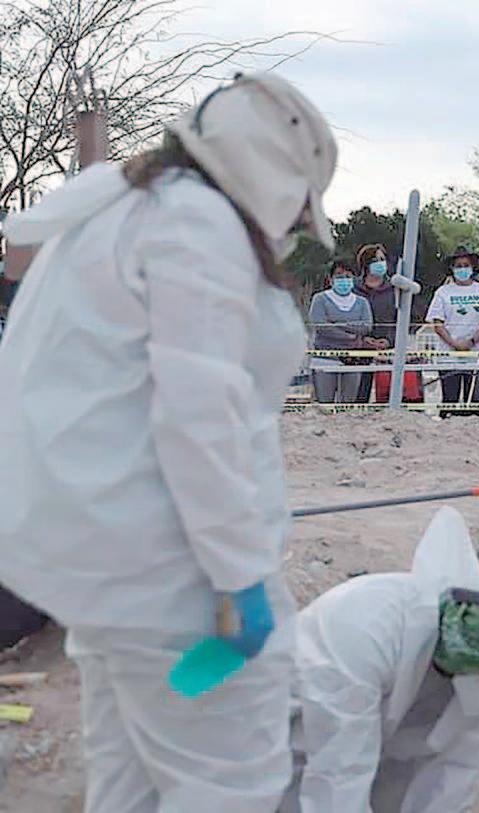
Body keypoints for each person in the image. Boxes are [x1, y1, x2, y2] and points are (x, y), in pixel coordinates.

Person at [0, 73, 337, 812]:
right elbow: (198, 417)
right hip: (181, 593)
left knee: (134, 782)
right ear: (274, 175)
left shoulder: (122, 207)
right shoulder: (198, 225)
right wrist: (239, 577)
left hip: (113, 588)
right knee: (229, 782)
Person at [281, 507, 479, 812]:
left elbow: (454, 777)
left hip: (361, 758)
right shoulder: (368, 628)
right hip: (277, 743)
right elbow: (338, 773)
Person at [426, 246, 479, 412]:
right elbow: (437, 323)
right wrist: (455, 344)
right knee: (449, 400)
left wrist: (472, 341)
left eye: (465, 265)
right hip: (448, 356)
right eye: (458, 266)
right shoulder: (443, 292)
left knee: (474, 401)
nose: (462, 269)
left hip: (476, 355)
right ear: (452, 268)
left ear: (472, 267)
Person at [354, 243, 424, 404]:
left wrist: (389, 340)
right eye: (375, 260)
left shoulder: (396, 288)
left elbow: (413, 318)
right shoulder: (353, 289)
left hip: (391, 352)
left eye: (382, 259)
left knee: (390, 399)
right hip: (360, 351)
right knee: (359, 398)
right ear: (365, 264)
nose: (380, 263)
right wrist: (362, 340)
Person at [309, 259, 373, 404]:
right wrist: (349, 335)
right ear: (331, 279)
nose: (344, 280)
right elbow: (320, 325)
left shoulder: (362, 302)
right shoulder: (320, 299)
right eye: (339, 276)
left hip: (353, 359)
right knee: (324, 403)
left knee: (349, 403)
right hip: (325, 359)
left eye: (348, 276)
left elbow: (366, 326)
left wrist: (335, 323)